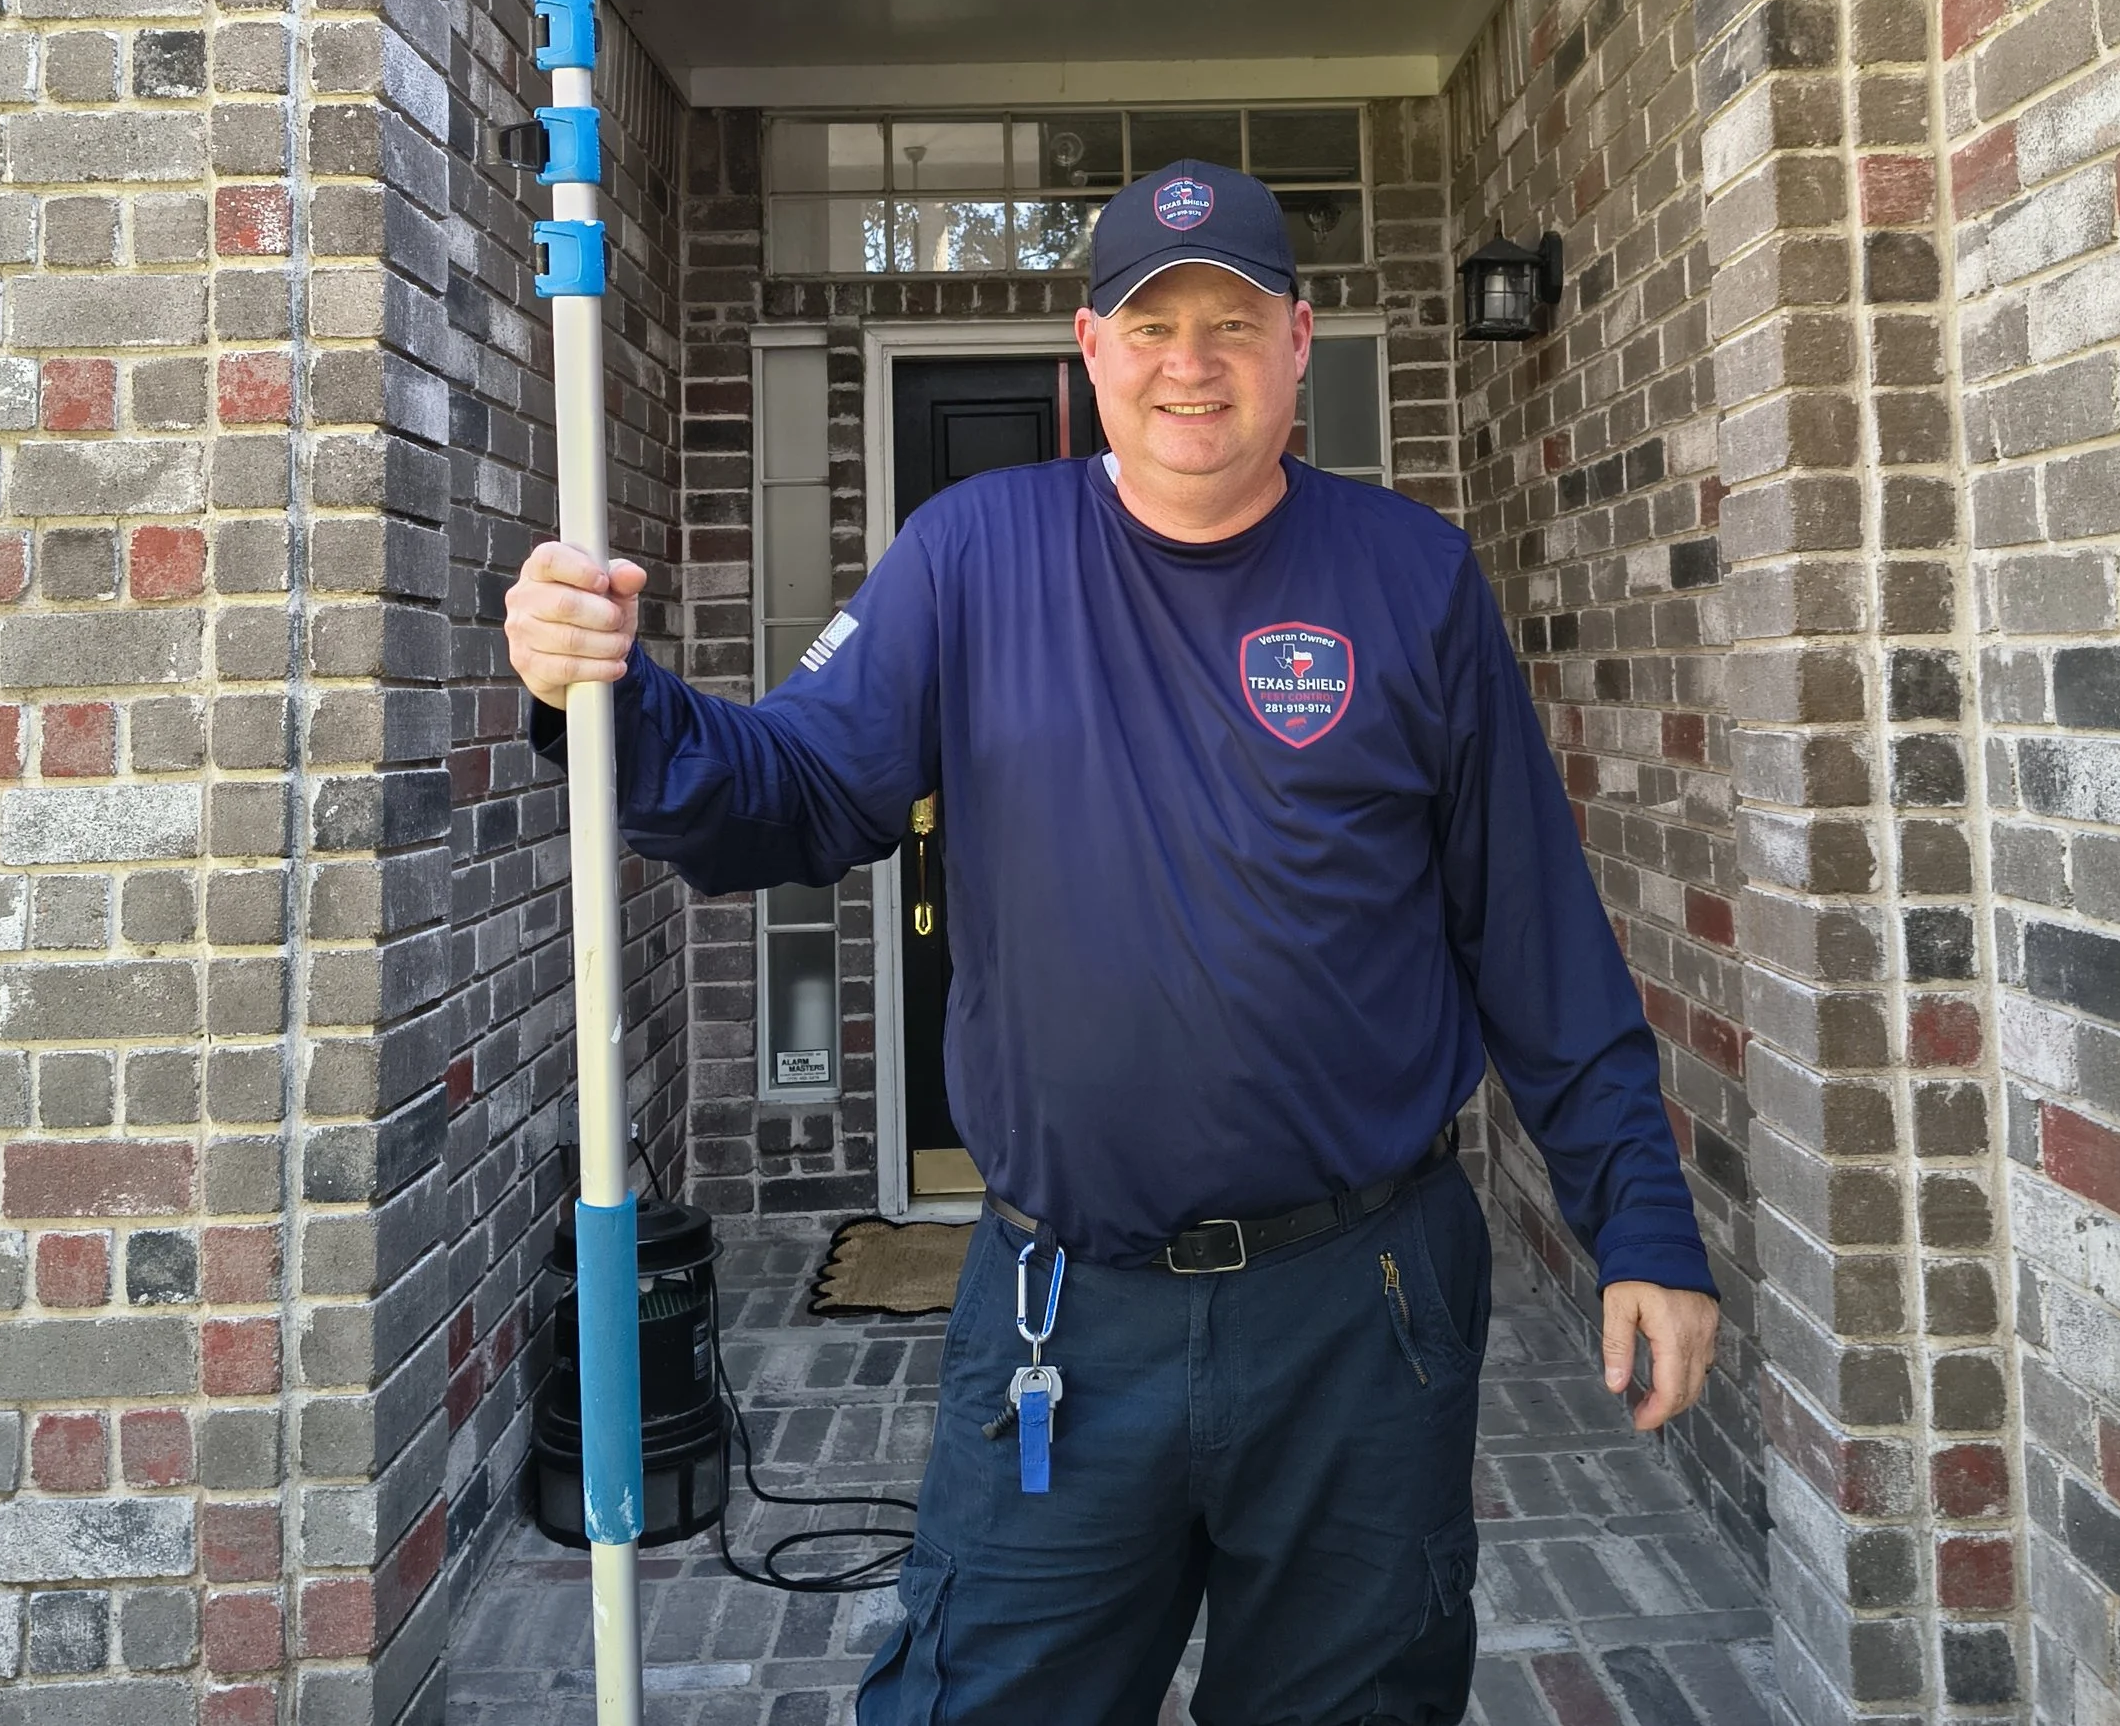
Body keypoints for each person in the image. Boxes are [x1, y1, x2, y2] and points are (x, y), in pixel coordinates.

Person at [504, 157, 1719, 1726]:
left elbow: (1534, 931)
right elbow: (791, 797)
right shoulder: (972, 558)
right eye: (1152, 325)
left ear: (1299, 345)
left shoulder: (1412, 581)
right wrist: (606, 696)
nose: (1190, 363)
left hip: (1365, 1309)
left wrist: (1643, 1224)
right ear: (1091, 352)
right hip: (1065, 1315)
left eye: (1231, 323)